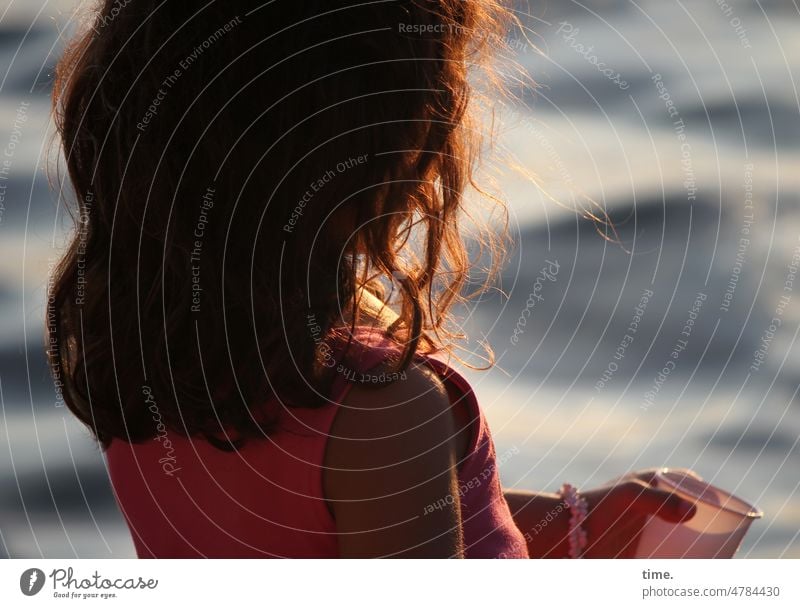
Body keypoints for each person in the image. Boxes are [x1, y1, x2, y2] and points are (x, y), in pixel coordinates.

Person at [48, 0, 696, 558]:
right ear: (399, 152)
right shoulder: (379, 407)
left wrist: (574, 522)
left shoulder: (135, 338)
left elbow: (323, 529)